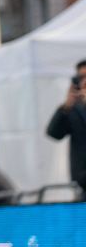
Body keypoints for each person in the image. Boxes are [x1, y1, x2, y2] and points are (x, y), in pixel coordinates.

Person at [45, 59, 86, 193]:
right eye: (81, 77)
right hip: (82, 183)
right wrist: (66, 106)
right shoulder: (75, 108)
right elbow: (54, 133)